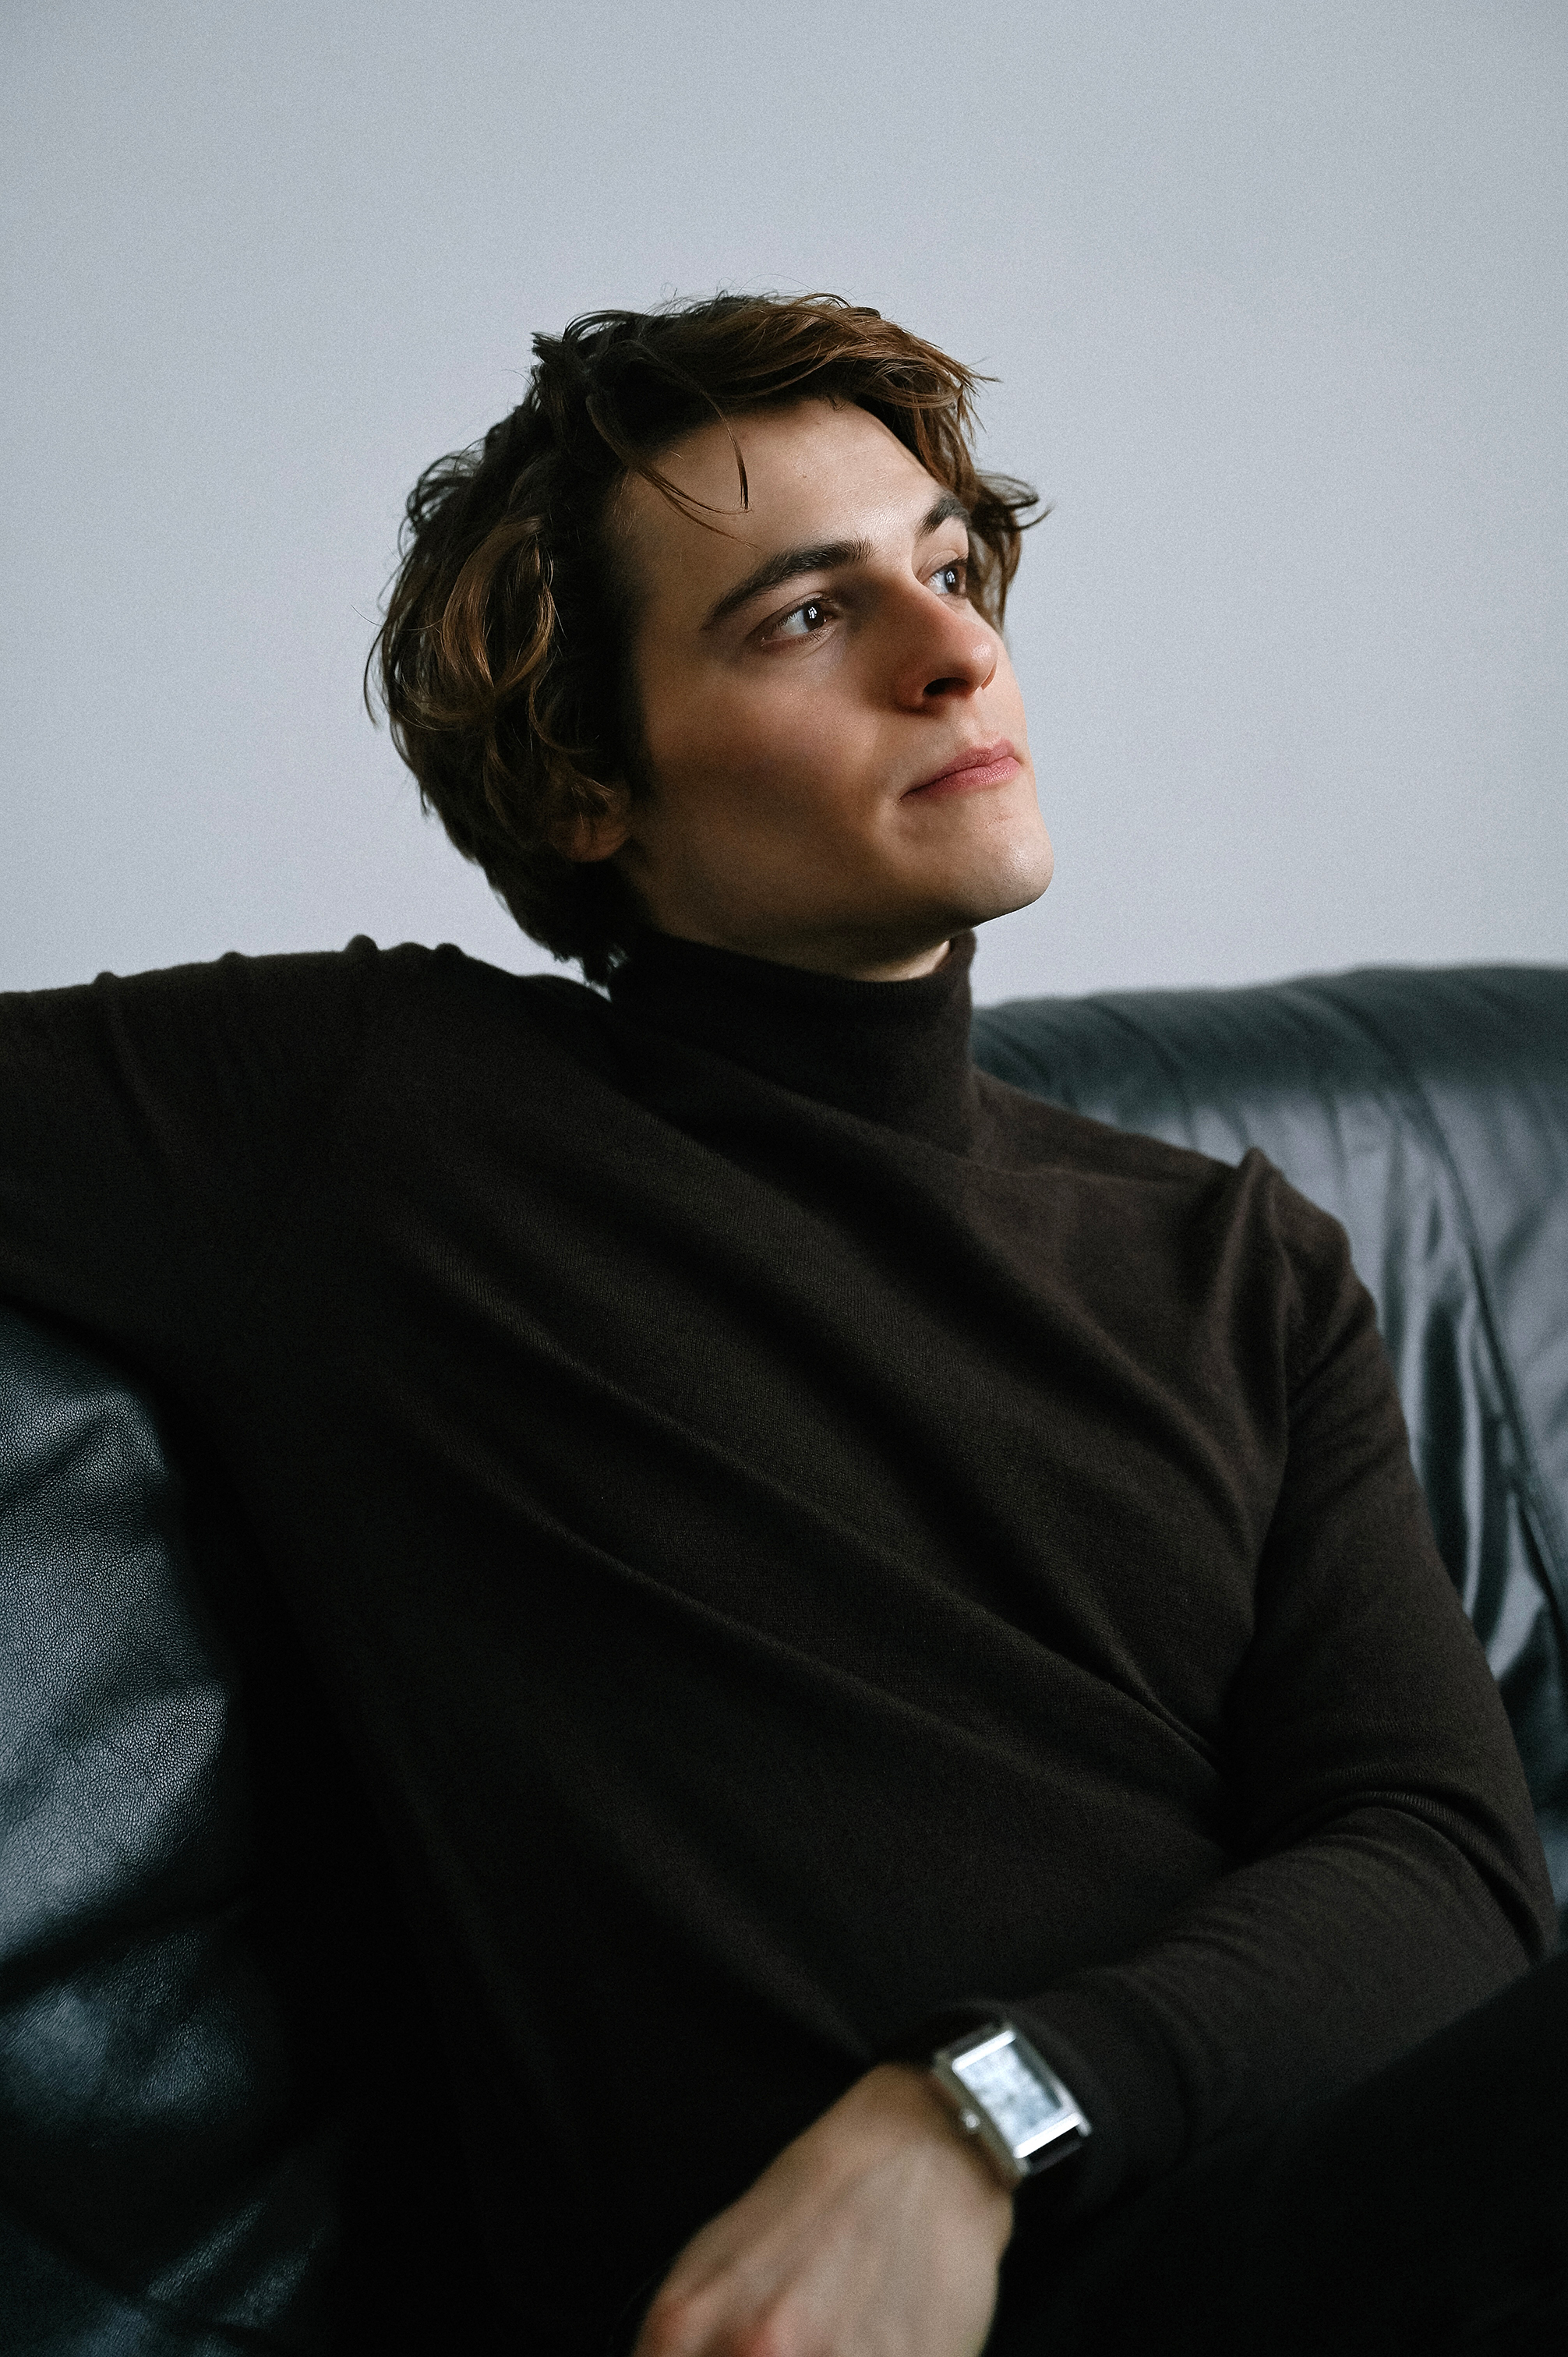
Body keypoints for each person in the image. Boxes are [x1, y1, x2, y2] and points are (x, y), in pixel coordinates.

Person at [0, 293, 1563, 2357]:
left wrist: (976, 2116)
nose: (955, 651)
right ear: (587, 783)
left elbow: (1446, 1866)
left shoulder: (1237, 1263)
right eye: (806, 616)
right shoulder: (366, 1120)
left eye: (947, 568)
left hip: (1310, 2221)